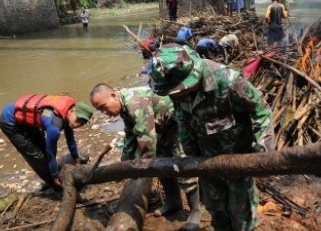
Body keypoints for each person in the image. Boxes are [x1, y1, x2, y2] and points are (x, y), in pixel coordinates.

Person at [149, 44, 275, 230]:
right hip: (207, 162)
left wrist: (263, 154)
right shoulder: (177, 91)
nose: (176, 95)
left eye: (178, 90)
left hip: (238, 159)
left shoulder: (227, 80)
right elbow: (182, 120)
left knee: (243, 217)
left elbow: (260, 110)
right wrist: (191, 158)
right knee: (217, 212)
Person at [90, 84, 203, 230]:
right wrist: (124, 163)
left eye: (103, 106)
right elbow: (131, 134)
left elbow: (147, 139)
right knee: (162, 164)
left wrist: (141, 167)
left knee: (181, 165)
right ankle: (174, 201)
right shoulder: (123, 106)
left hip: (179, 122)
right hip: (162, 125)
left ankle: (195, 209)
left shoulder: (135, 103)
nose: (104, 112)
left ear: (113, 95)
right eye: (99, 110)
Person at [0, 95, 93, 189]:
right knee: (37, 156)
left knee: (42, 147)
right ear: (72, 111)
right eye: (78, 120)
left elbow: (70, 138)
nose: (78, 124)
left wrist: (76, 157)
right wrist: (55, 175)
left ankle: (51, 175)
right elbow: (50, 153)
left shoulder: (67, 114)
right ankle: (54, 185)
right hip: (9, 122)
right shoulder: (54, 128)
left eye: (83, 123)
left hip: (26, 118)